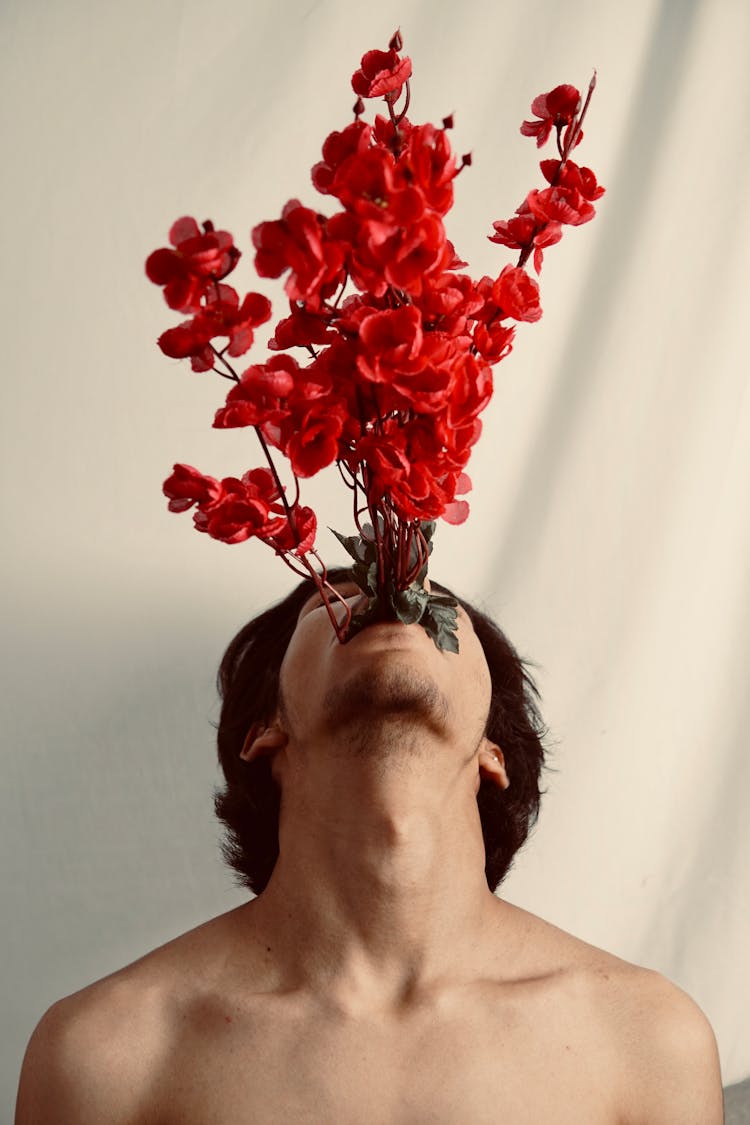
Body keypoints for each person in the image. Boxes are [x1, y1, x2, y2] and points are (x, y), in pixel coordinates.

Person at [15, 569, 723, 1123]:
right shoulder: (106, 1054)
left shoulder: (647, 1043)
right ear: (265, 730)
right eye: (340, 597)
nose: (392, 598)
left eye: (427, 599)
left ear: (493, 748)